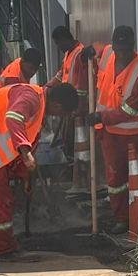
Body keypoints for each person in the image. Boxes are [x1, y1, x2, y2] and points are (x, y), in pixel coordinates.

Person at [0, 82, 80, 255]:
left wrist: (24, 175)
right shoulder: (32, 98)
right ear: (57, 105)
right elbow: (13, 118)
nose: (60, 116)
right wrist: (25, 152)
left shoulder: (38, 102)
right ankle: (5, 249)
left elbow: (26, 136)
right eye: (62, 113)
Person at [94, 25, 138, 229]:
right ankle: (120, 215)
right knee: (114, 177)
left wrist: (100, 116)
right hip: (108, 132)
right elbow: (97, 51)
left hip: (131, 134)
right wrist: (89, 52)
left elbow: (130, 108)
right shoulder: (108, 53)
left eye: (126, 50)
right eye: (119, 50)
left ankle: (132, 217)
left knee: (130, 177)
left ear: (133, 47)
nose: (122, 54)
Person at [49, 26, 97, 187]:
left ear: (65, 39)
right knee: (67, 141)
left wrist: (78, 108)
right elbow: (61, 74)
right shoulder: (68, 54)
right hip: (68, 105)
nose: (58, 47)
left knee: (73, 142)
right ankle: (72, 172)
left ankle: (78, 175)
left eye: (58, 43)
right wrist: (48, 87)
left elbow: (87, 57)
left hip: (77, 107)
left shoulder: (79, 53)